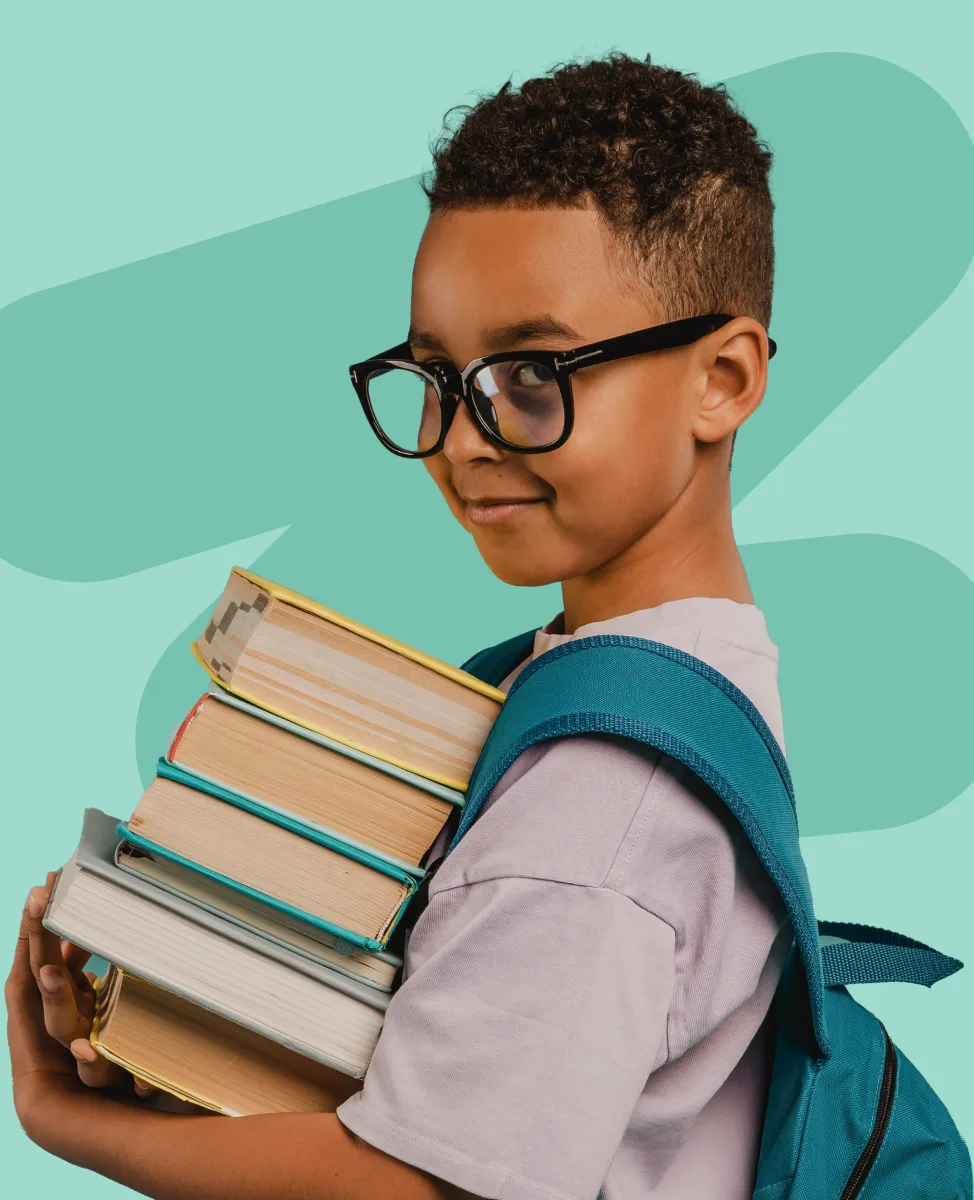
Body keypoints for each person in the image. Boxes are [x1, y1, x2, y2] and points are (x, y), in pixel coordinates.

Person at [8, 53, 788, 1199]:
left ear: (720, 379)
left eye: (530, 374)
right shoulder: (663, 685)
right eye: (437, 375)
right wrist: (162, 1058)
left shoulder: (603, 806)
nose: (464, 439)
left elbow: (431, 1185)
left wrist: (67, 1122)